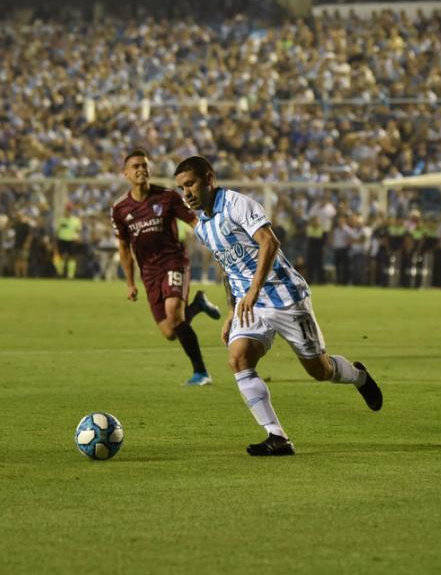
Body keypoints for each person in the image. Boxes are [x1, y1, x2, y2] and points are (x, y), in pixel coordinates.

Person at [174, 155, 382, 456]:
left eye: (190, 184)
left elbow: (269, 242)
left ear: (209, 179)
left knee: (320, 370)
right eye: (181, 188)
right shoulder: (203, 226)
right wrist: (232, 310)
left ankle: (358, 376)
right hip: (250, 305)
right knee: (238, 358)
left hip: (285, 296)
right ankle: (277, 436)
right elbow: (227, 268)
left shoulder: (237, 204)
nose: (187, 193)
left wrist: (254, 290)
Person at [110, 149, 221, 387]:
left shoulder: (167, 196)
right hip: (149, 272)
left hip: (174, 261)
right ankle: (198, 305)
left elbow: (193, 220)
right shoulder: (120, 208)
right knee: (170, 331)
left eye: (144, 165)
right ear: (125, 173)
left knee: (173, 312)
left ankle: (201, 372)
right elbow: (124, 248)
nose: (141, 169)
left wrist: (213, 240)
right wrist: (130, 283)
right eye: (136, 166)